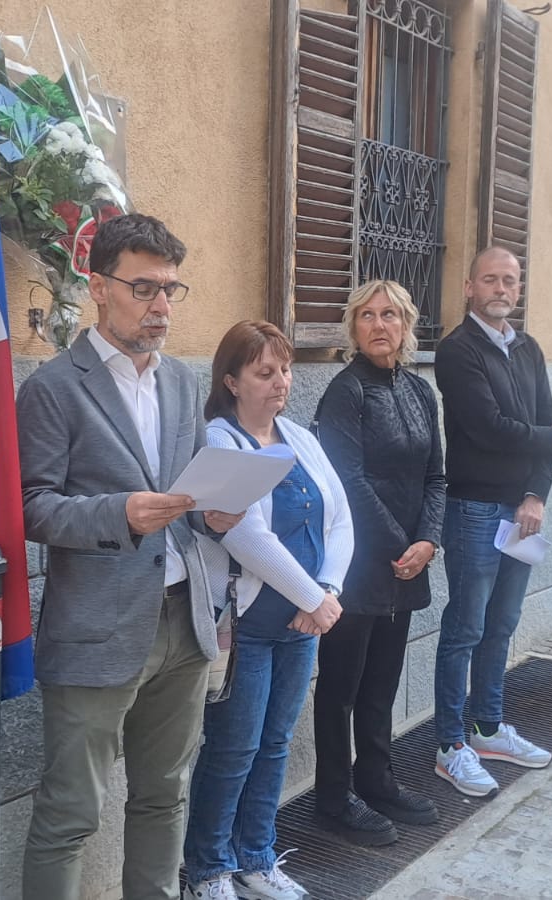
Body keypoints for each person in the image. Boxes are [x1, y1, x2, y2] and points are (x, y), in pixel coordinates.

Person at [18, 214, 243, 900]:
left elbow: (189, 490)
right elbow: (30, 507)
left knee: (165, 795)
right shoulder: (54, 387)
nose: (161, 306)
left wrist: (213, 512)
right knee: (70, 812)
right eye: (144, 288)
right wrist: (118, 514)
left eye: (171, 289)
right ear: (99, 288)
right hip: (97, 628)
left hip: (183, 622)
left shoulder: (180, 382)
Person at [182, 321, 354, 900]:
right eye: (265, 372)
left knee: (276, 743)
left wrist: (326, 590)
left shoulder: (298, 436)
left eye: (284, 369)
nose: (281, 381)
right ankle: (208, 870)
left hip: (303, 621)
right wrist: (316, 600)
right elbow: (245, 536)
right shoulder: (220, 441)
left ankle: (256, 857)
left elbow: (341, 518)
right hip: (248, 626)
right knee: (233, 750)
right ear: (232, 381)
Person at [312, 279, 446, 847]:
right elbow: (348, 481)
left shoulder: (419, 392)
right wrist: (401, 546)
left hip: (407, 563)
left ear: (406, 324)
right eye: (366, 316)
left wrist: (428, 541)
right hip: (357, 566)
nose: (378, 325)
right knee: (340, 685)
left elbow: (436, 476)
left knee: (382, 681)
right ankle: (333, 795)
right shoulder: (345, 393)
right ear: (353, 327)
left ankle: (376, 779)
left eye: (389, 314)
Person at [430, 247, 552, 798]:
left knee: (502, 624)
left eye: (510, 280)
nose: (501, 289)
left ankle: (487, 730)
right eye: (490, 279)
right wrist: (551, 436)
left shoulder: (528, 349)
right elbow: (489, 428)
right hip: (475, 510)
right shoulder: (456, 351)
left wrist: (535, 495)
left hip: (522, 513)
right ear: (469, 287)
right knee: (465, 627)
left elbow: (540, 429)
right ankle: (449, 745)